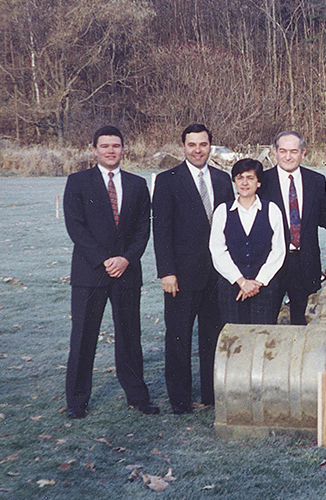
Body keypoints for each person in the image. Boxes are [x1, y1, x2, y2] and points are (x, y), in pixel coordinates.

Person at [63, 126, 159, 419]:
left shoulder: (137, 184)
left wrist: (126, 259)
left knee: (130, 336)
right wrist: (104, 259)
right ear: (94, 149)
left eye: (115, 146)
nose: (110, 151)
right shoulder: (78, 182)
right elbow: (75, 227)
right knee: (83, 337)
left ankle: (137, 396)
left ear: (123, 149)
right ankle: (77, 401)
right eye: (104, 146)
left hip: (126, 272)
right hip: (90, 272)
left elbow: (144, 228)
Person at [152, 124, 234, 414]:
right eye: (192, 145)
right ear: (183, 147)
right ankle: (180, 400)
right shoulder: (168, 180)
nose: (198, 150)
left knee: (213, 337)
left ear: (211, 145)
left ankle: (212, 395)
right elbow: (161, 231)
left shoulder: (223, 180)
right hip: (181, 276)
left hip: (216, 276)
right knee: (179, 339)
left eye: (203, 144)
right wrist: (166, 272)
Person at [257, 131, 326, 325]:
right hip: (271, 263)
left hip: (304, 263)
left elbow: (324, 218)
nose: (288, 156)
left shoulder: (316, 181)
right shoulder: (262, 182)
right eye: (283, 151)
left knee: (301, 321)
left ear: (303, 153)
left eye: (293, 151)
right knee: (265, 320)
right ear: (275, 152)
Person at [209, 159, 285, 324]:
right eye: (240, 177)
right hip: (231, 287)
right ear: (234, 182)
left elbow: (278, 250)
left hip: (265, 287)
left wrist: (258, 282)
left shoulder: (272, 210)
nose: (244, 183)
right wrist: (241, 281)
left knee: (263, 336)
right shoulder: (222, 211)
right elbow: (217, 250)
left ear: (258, 183)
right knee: (234, 337)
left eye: (250, 178)